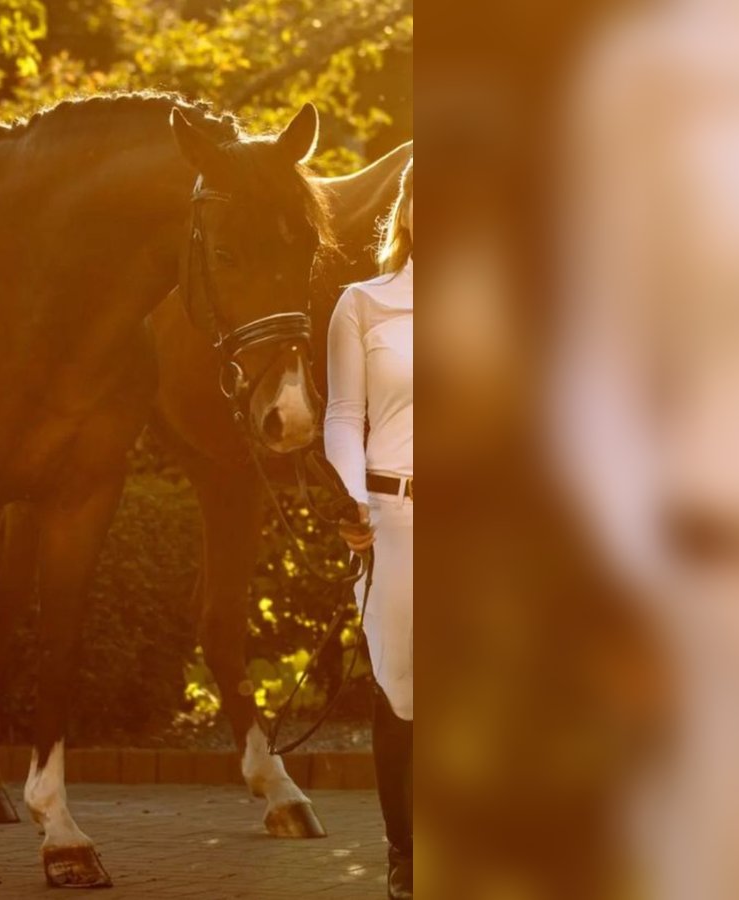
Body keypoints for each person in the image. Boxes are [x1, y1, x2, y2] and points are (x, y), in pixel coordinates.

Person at [324, 157, 414, 900]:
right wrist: (354, 498)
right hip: (396, 517)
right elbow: (343, 416)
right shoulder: (363, 303)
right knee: (402, 685)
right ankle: (405, 853)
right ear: (407, 211)